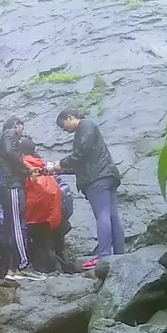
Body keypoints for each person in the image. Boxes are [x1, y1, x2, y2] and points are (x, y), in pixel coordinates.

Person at [51, 109, 124, 270]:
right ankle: (119, 254)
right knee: (112, 216)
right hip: (107, 175)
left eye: (64, 126)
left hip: (96, 179)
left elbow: (82, 151)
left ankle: (104, 256)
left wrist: (61, 163)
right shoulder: (89, 128)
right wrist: (62, 169)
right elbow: (84, 161)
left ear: (70, 117)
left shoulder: (85, 126)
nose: (66, 130)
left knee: (103, 215)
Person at [0, 117, 47, 281]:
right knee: (18, 226)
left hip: (6, 185)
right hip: (12, 185)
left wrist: (26, 170)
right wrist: (27, 170)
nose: (22, 132)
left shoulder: (0, 143)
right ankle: (23, 265)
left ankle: (12, 268)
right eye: (21, 128)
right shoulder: (9, 134)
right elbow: (10, 152)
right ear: (16, 126)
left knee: (10, 228)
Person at [20, 153, 62, 273]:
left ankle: (37, 269)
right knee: (46, 241)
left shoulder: (23, 166)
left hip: (31, 213)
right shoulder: (43, 167)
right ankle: (51, 268)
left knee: (34, 243)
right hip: (48, 214)